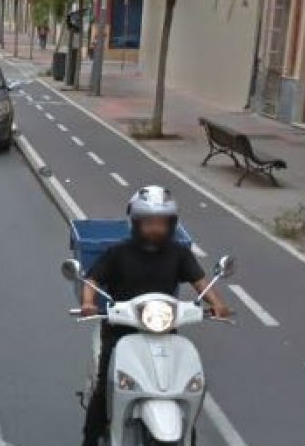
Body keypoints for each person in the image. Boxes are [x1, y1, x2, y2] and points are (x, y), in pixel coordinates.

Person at [79, 186, 232, 446]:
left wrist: (218, 304)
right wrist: (87, 302)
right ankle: (90, 440)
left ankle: (187, 435)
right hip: (121, 330)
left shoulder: (179, 253)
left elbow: (200, 281)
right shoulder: (118, 253)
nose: (156, 228)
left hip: (163, 329)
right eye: (149, 222)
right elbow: (92, 279)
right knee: (106, 386)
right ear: (136, 223)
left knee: (184, 384)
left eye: (162, 222)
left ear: (171, 224)